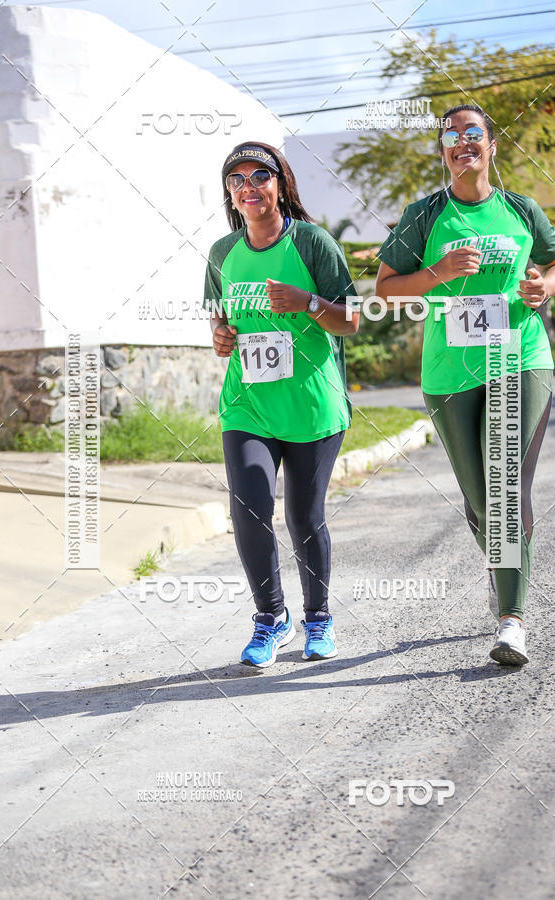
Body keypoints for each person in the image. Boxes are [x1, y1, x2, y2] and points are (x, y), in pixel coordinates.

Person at [375, 104, 555, 666]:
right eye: (451, 135)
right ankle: (504, 569)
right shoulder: (424, 215)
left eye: (472, 132)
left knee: (507, 485)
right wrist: (438, 273)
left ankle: (512, 619)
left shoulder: (521, 209)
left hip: (517, 356)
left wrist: (544, 288)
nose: (462, 141)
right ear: (443, 151)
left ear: (491, 145)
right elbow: (385, 291)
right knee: (479, 497)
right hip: (449, 372)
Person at [204, 141, 360, 667]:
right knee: (248, 509)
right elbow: (218, 317)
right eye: (237, 179)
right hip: (247, 403)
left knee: (304, 516)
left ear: (280, 183)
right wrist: (220, 335)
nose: (248, 187)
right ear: (230, 192)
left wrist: (306, 302)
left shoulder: (312, 242)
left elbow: (351, 320)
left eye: (259, 176)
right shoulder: (222, 253)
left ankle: (318, 618)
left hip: (312, 404)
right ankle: (271, 619)